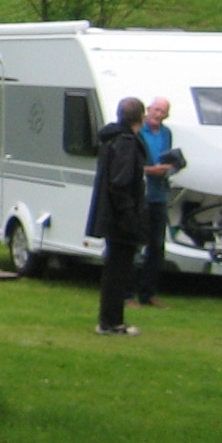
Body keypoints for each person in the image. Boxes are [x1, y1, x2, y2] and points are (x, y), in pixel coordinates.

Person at [86, 95, 149, 336]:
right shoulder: (126, 142)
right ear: (141, 117)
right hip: (120, 218)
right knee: (118, 271)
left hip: (112, 215)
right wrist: (129, 216)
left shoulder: (112, 138)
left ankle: (110, 319)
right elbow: (120, 183)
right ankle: (111, 321)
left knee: (115, 268)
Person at [134, 97, 175, 308]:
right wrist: (151, 170)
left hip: (159, 194)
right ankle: (127, 294)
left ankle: (148, 292)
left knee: (157, 246)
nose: (159, 114)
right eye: (156, 110)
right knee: (135, 245)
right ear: (148, 110)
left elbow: (166, 158)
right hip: (141, 194)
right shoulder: (138, 133)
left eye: (163, 111)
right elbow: (131, 165)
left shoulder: (166, 133)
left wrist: (170, 167)